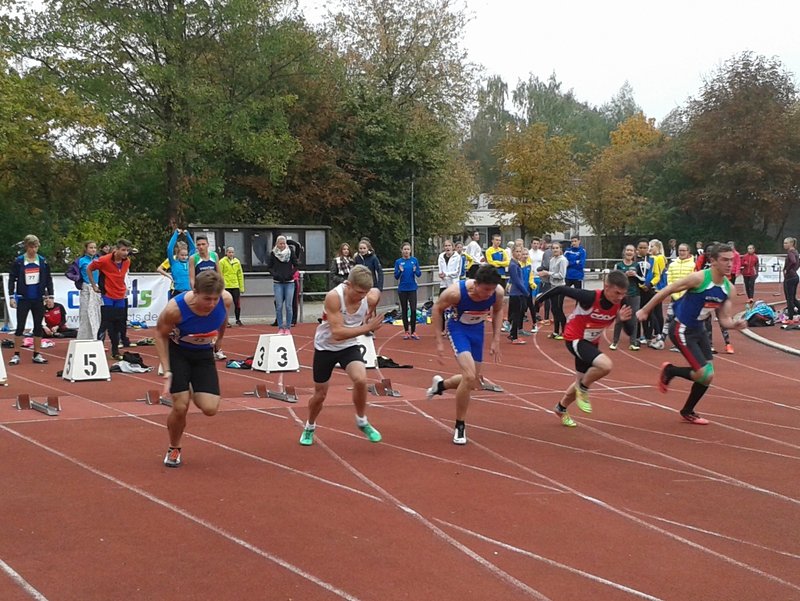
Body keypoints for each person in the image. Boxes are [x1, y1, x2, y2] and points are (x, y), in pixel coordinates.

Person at [637, 243, 747, 425]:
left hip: (699, 329)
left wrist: (735, 324)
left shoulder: (729, 289)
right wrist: (645, 310)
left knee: (708, 375)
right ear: (713, 261)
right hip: (681, 328)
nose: (729, 264)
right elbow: (668, 289)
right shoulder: (699, 278)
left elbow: (724, 319)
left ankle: (687, 409)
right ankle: (671, 372)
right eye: (724, 260)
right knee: (704, 374)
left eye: (731, 260)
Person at [299, 266, 384, 446]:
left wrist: (369, 313)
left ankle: (362, 421)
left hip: (349, 346)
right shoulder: (334, 297)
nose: (362, 297)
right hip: (325, 347)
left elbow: (376, 293)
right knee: (320, 395)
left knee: (361, 379)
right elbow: (337, 333)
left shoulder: (369, 297)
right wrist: (367, 327)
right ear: (348, 284)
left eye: (365, 293)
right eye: (359, 292)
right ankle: (310, 426)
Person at [155, 270, 233, 467]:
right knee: (180, 406)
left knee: (210, 408)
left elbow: (223, 318)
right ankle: (174, 447)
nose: (211, 304)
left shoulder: (225, 300)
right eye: (207, 299)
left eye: (215, 299)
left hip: (203, 354)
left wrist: (220, 339)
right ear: (195, 292)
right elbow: (160, 335)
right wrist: (167, 370)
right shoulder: (175, 309)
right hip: (178, 353)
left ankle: (188, 387)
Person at [534, 270, 631, 427]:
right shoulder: (590, 297)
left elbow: (630, 332)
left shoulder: (622, 302)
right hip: (575, 338)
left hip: (591, 343)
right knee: (605, 365)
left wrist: (623, 320)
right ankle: (584, 389)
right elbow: (560, 289)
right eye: (617, 293)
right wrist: (539, 300)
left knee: (580, 380)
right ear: (606, 287)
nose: (620, 297)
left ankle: (561, 407)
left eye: (623, 294)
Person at [426, 265, 504, 445]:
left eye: (491, 290)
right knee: (468, 376)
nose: (488, 294)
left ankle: (440, 386)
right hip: (458, 330)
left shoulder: (497, 292)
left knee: (473, 381)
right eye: (485, 290)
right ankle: (460, 425)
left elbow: (498, 310)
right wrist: (439, 341)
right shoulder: (455, 293)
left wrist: (496, 339)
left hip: (478, 331)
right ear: (475, 284)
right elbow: (437, 309)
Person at [7, 235, 53, 365]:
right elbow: (12, 279)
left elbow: (48, 279)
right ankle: (16, 354)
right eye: (31, 247)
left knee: (38, 326)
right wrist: (11, 296)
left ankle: (37, 354)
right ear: (26, 247)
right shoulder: (19, 261)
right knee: (20, 326)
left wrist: (50, 296)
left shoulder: (42, 261)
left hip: (38, 298)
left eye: (36, 247)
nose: (34, 250)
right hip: (23, 298)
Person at [87, 239, 132, 361]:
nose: (125, 253)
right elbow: (89, 268)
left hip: (120, 296)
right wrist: (94, 285)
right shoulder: (104, 260)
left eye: (127, 250)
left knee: (119, 324)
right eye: (123, 250)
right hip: (107, 295)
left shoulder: (127, 261)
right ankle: (98, 349)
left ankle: (115, 351)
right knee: (106, 322)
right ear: (116, 250)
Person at [609, 245, 641, 351]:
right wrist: (624, 275)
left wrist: (635, 275)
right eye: (627, 250)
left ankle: (633, 342)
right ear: (624, 252)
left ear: (634, 253)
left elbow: (643, 279)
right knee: (619, 317)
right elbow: (613, 279)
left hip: (634, 294)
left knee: (634, 318)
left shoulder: (637, 265)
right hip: (621, 295)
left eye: (631, 250)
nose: (629, 252)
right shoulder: (618, 265)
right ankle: (615, 342)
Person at [266, 235, 299, 335]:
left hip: (289, 282)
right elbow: (269, 267)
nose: (282, 245)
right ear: (277, 244)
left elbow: (296, 265)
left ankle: (288, 327)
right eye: (280, 243)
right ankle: (280, 327)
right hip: (278, 283)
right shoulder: (273, 253)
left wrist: (291, 274)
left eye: (284, 243)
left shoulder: (290, 252)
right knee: (279, 306)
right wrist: (275, 274)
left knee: (289, 306)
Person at [394, 242, 422, 340]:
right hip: (402, 289)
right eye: (404, 249)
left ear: (410, 250)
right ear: (401, 250)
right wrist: (400, 271)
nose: (406, 251)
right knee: (404, 310)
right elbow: (396, 276)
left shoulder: (414, 260)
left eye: (408, 249)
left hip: (412, 288)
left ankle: (413, 331)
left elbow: (419, 274)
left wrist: (415, 270)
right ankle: (406, 331)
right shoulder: (398, 262)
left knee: (413, 309)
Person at [76, 240, 102, 341]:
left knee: (97, 314)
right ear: (86, 249)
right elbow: (71, 272)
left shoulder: (99, 260)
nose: (93, 250)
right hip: (86, 288)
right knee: (85, 313)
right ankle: (83, 338)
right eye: (91, 248)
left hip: (97, 289)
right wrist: (78, 280)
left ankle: (96, 338)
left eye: (95, 248)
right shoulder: (81, 261)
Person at [543, 241, 567, 339]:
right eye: (553, 248)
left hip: (560, 287)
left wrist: (548, 273)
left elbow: (561, 275)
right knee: (553, 309)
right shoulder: (552, 259)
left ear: (560, 249)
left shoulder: (563, 260)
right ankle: (556, 331)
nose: (555, 250)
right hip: (553, 286)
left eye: (557, 248)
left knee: (559, 309)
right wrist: (545, 275)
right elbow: (551, 273)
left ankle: (565, 331)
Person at [163, 228, 196, 299]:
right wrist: (175, 234)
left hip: (189, 292)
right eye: (182, 255)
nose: (184, 257)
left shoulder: (190, 262)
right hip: (177, 292)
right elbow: (169, 249)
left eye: (186, 255)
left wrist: (188, 235)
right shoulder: (174, 263)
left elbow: (193, 248)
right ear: (177, 255)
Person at [507, 247, 529, 344]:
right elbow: (516, 281)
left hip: (518, 292)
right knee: (516, 315)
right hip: (516, 293)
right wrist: (525, 292)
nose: (519, 253)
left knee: (518, 313)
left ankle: (512, 333)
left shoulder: (516, 264)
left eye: (520, 251)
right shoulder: (513, 265)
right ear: (513, 252)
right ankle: (514, 336)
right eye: (517, 251)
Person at [220, 246, 245, 326]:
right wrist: (221, 286)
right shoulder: (222, 262)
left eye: (232, 252)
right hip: (226, 286)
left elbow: (240, 275)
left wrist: (241, 287)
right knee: (225, 304)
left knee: (237, 303)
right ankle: (225, 320)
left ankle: (238, 319)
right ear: (226, 253)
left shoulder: (237, 262)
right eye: (229, 252)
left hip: (235, 285)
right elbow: (220, 274)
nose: (231, 254)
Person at [782, 237, 800, 321]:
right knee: (793, 298)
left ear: (791, 244)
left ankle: (790, 317)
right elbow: (797, 262)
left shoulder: (790, 252)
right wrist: (795, 269)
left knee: (789, 299)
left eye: (786, 243)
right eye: (784, 243)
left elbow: (793, 261)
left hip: (790, 277)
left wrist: (787, 269)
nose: (784, 245)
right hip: (795, 277)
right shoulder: (796, 251)